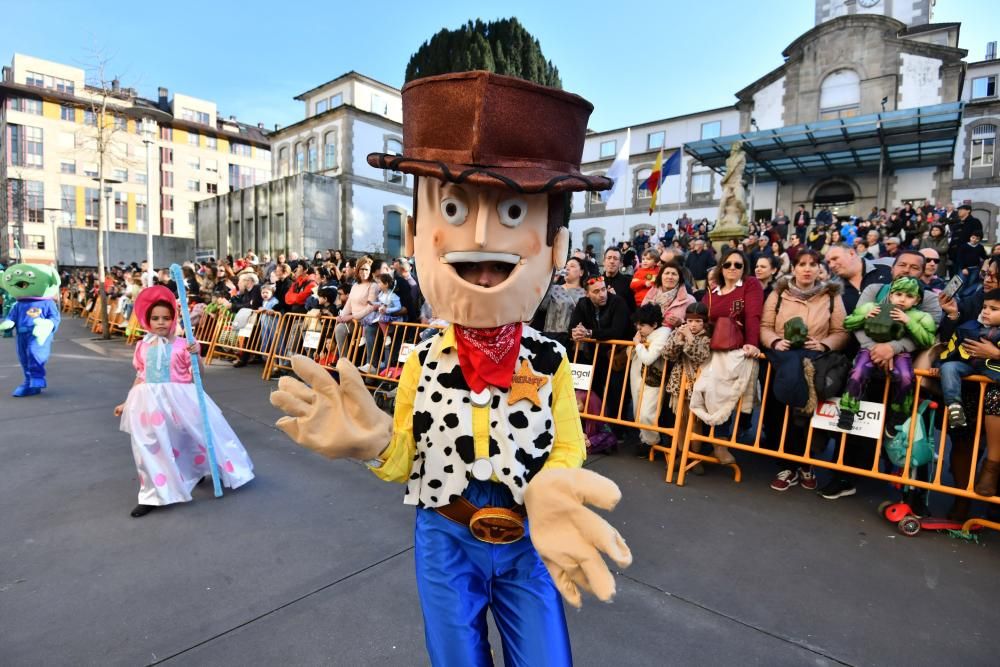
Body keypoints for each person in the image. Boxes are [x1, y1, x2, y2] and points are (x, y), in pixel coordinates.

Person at [269, 71, 631, 666]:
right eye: (457, 209)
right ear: (415, 237)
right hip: (445, 538)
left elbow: (567, 445)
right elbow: (405, 457)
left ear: (555, 247)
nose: (484, 250)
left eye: (515, 211)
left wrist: (553, 487)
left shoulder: (551, 358)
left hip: (526, 538)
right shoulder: (421, 359)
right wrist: (374, 444)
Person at [113, 286, 254, 518]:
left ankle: (201, 469)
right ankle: (152, 494)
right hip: (148, 403)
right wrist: (127, 402)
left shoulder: (184, 344)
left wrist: (196, 354)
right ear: (147, 320)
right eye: (155, 318)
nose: (161, 322)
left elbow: (197, 374)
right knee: (149, 446)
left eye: (166, 318)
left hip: (182, 399)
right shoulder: (142, 346)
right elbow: (141, 376)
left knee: (193, 436)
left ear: (174, 319)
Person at [759, 250, 848, 491]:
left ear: (820, 269)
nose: (807, 269)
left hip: (816, 360)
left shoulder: (831, 296)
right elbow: (765, 326)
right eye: (802, 264)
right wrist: (776, 342)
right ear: (794, 268)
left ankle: (805, 464)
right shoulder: (778, 293)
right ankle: (788, 465)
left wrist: (824, 344)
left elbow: (841, 331)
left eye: (813, 264)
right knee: (783, 412)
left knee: (809, 413)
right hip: (783, 360)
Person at [691, 248, 763, 464]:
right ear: (721, 267)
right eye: (728, 264)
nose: (732, 268)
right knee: (702, 393)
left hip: (735, 352)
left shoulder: (751, 285)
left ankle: (719, 444)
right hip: (710, 350)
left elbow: (753, 315)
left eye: (738, 265)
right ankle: (699, 446)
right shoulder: (712, 293)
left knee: (720, 393)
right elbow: (700, 316)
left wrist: (752, 342)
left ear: (744, 268)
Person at [837, 277, 936, 430]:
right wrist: (864, 317)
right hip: (869, 350)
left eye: (909, 296)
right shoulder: (872, 307)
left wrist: (909, 322)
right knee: (858, 372)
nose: (902, 299)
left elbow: (928, 340)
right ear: (890, 295)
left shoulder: (921, 316)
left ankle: (899, 414)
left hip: (901, 354)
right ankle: (847, 411)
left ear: (917, 301)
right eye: (899, 294)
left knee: (905, 377)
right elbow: (847, 323)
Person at [936, 288, 1000, 428]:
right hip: (970, 373)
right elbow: (950, 349)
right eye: (984, 307)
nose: (986, 311)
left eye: (994, 309)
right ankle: (954, 408)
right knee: (949, 367)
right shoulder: (968, 327)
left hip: (995, 383)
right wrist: (939, 365)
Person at [0, 263, 61, 396]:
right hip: (21, 334)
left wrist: (47, 325)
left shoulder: (47, 303)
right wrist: (8, 323)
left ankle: (37, 378)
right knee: (23, 358)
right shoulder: (19, 304)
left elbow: (54, 318)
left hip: (38, 334)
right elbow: (12, 317)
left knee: (35, 353)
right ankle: (29, 383)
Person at [628, 303, 671, 457]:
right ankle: (647, 443)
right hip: (637, 375)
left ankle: (652, 442)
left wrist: (638, 344)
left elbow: (648, 358)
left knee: (646, 414)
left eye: (642, 325)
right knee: (637, 413)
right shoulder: (644, 334)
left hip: (654, 379)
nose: (639, 328)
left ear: (654, 324)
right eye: (637, 324)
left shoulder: (663, 333)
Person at [358, 273, 402, 374]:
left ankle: (386, 336)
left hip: (389, 316)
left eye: (380, 283)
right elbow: (379, 303)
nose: (378, 285)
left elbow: (398, 307)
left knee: (381, 319)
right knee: (366, 318)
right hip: (380, 314)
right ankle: (363, 337)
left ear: (386, 284)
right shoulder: (381, 294)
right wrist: (373, 304)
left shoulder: (393, 296)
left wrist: (387, 309)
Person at [538, 256, 586, 348]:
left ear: (581, 272)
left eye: (572, 266)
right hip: (550, 338)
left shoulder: (586, 293)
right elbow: (542, 307)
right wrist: (551, 281)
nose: (567, 268)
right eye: (566, 266)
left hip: (572, 341)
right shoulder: (553, 288)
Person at [333, 257, 377, 356]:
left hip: (366, 322)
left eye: (367, 269)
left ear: (371, 271)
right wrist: (342, 316)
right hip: (354, 321)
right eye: (362, 269)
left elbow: (370, 308)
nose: (364, 272)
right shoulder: (355, 285)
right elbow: (349, 303)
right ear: (357, 270)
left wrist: (351, 317)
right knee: (339, 328)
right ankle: (343, 360)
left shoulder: (373, 286)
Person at [641, 261, 695, 329]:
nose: (670, 277)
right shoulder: (650, 295)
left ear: (679, 278)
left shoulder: (689, 300)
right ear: (660, 276)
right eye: (667, 273)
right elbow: (641, 319)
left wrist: (680, 323)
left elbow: (694, 326)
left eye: (674, 274)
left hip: (674, 337)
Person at [602, 246, 635, 312]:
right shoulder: (597, 281)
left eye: (615, 258)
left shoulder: (628, 282)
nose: (612, 261)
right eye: (609, 258)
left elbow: (632, 309)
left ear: (620, 264)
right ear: (604, 262)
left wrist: (616, 298)